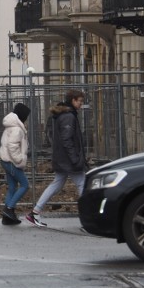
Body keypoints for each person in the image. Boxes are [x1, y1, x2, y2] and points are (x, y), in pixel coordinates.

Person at [26, 90, 87, 227]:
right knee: (82, 183)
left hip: (62, 158)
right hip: (68, 160)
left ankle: (35, 212)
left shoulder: (63, 115)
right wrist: (75, 159)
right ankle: (86, 217)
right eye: (79, 101)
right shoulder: (68, 116)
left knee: (57, 184)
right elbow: (67, 140)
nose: (81, 105)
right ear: (73, 100)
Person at [0, 103, 31, 225]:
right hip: (12, 161)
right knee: (25, 185)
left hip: (5, 160)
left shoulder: (11, 126)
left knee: (12, 188)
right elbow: (13, 147)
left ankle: (7, 218)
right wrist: (19, 160)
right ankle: (9, 209)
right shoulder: (17, 129)